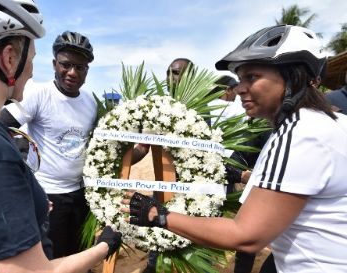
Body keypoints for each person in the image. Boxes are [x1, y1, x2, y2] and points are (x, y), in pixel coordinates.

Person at [122, 25, 347, 273]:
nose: (239, 88)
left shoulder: (301, 134)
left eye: (252, 77)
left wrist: (158, 215)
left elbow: (246, 236)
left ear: (293, 76)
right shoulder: (328, 122)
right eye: (240, 79)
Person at [0, 1, 121, 272]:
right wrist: (105, 245)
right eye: (32, 58)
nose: (31, 69)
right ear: (9, 58)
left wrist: (24, 187)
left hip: (74, 192)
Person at [0, 30, 100, 259]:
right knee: (51, 258)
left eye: (80, 67)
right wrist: (24, 183)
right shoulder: (39, 93)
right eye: (66, 65)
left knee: (79, 253)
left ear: (87, 70)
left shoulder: (90, 102)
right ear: (55, 63)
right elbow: (0, 125)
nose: (72, 72)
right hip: (48, 195)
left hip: (80, 194)